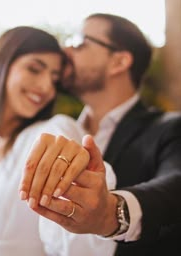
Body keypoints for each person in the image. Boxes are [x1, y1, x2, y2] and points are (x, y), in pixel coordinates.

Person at [19, 13, 181, 255]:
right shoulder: (56, 131)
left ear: (119, 62)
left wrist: (110, 213)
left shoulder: (170, 128)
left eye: (80, 42)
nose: (66, 50)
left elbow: (175, 187)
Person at [0, 26, 109, 255]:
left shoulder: (53, 135)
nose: (46, 88)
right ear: (0, 65)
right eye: (34, 69)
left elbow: (83, 240)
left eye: (54, 79)